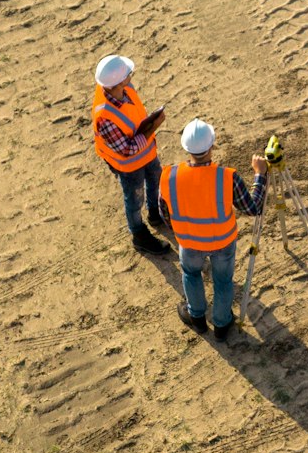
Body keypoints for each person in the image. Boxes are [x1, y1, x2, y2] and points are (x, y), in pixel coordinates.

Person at [160, 120, 268, 339]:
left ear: (186, 148)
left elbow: (164, 212)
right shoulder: (227, 176)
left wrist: (181, 230)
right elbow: (252, 208)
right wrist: (260, 175)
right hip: (222, 242)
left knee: (191, 274)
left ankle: (197, 318)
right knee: (223, 281)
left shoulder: (169, 176)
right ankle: (221, 324)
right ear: (212, 147)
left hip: (188, 241)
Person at [91, 54, 169, 250]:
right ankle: (139, 235)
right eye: (128, 73)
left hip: (147, 154)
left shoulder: (123, 89)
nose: (131, 75)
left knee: (155, 180)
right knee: (134, 199)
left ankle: (155, 214)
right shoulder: (104, 117)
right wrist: (154, 126)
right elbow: (127, 150)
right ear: (117, 83)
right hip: (129, 166)